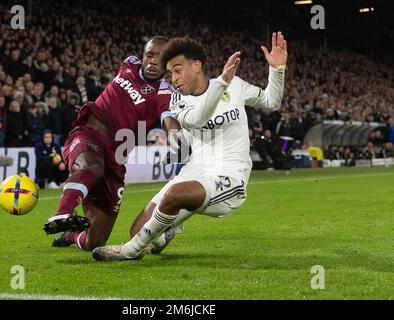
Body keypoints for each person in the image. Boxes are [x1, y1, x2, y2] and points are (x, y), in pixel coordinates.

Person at [92, 32, 287, 261]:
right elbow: (198, 118)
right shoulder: (177, 101)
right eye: (170, 73)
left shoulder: (234, 86)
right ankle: (166, 233)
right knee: (138, 230)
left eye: (177, 70)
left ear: (196, 66)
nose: (173, 78)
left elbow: (271, 101)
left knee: (173, 196)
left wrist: (277, 69)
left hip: (230, 176)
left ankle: (129, 251)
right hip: (195, 172)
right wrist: (222, 82)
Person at [43, 36, 174, 252]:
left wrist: (177, 139)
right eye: (149, 55)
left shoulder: (165, 95)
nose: (153, 61)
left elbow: (169, 121)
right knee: (91, 166)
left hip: (116, 159)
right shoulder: (129, 64)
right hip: (89, 133)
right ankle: (61, 214)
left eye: (161, 58)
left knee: (95, 243)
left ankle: (70, 235)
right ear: (141, 57)